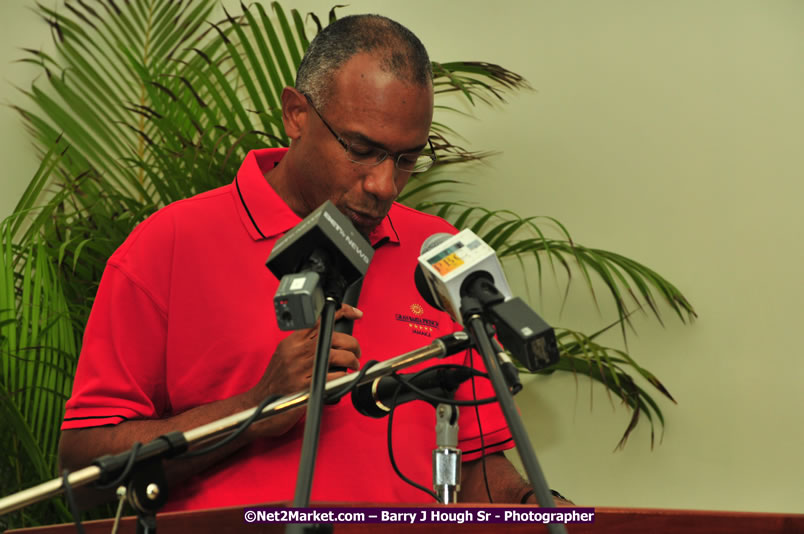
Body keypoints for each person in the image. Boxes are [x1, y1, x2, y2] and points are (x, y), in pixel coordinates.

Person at [58, 14, 546, 511]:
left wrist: (540, 505)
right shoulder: (169, 244)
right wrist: (254, 408)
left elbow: (477, 469)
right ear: (295, 114)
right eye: (362, 149)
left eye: (406, 159)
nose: (384, 185)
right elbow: (82, 471)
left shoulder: (437, 254)